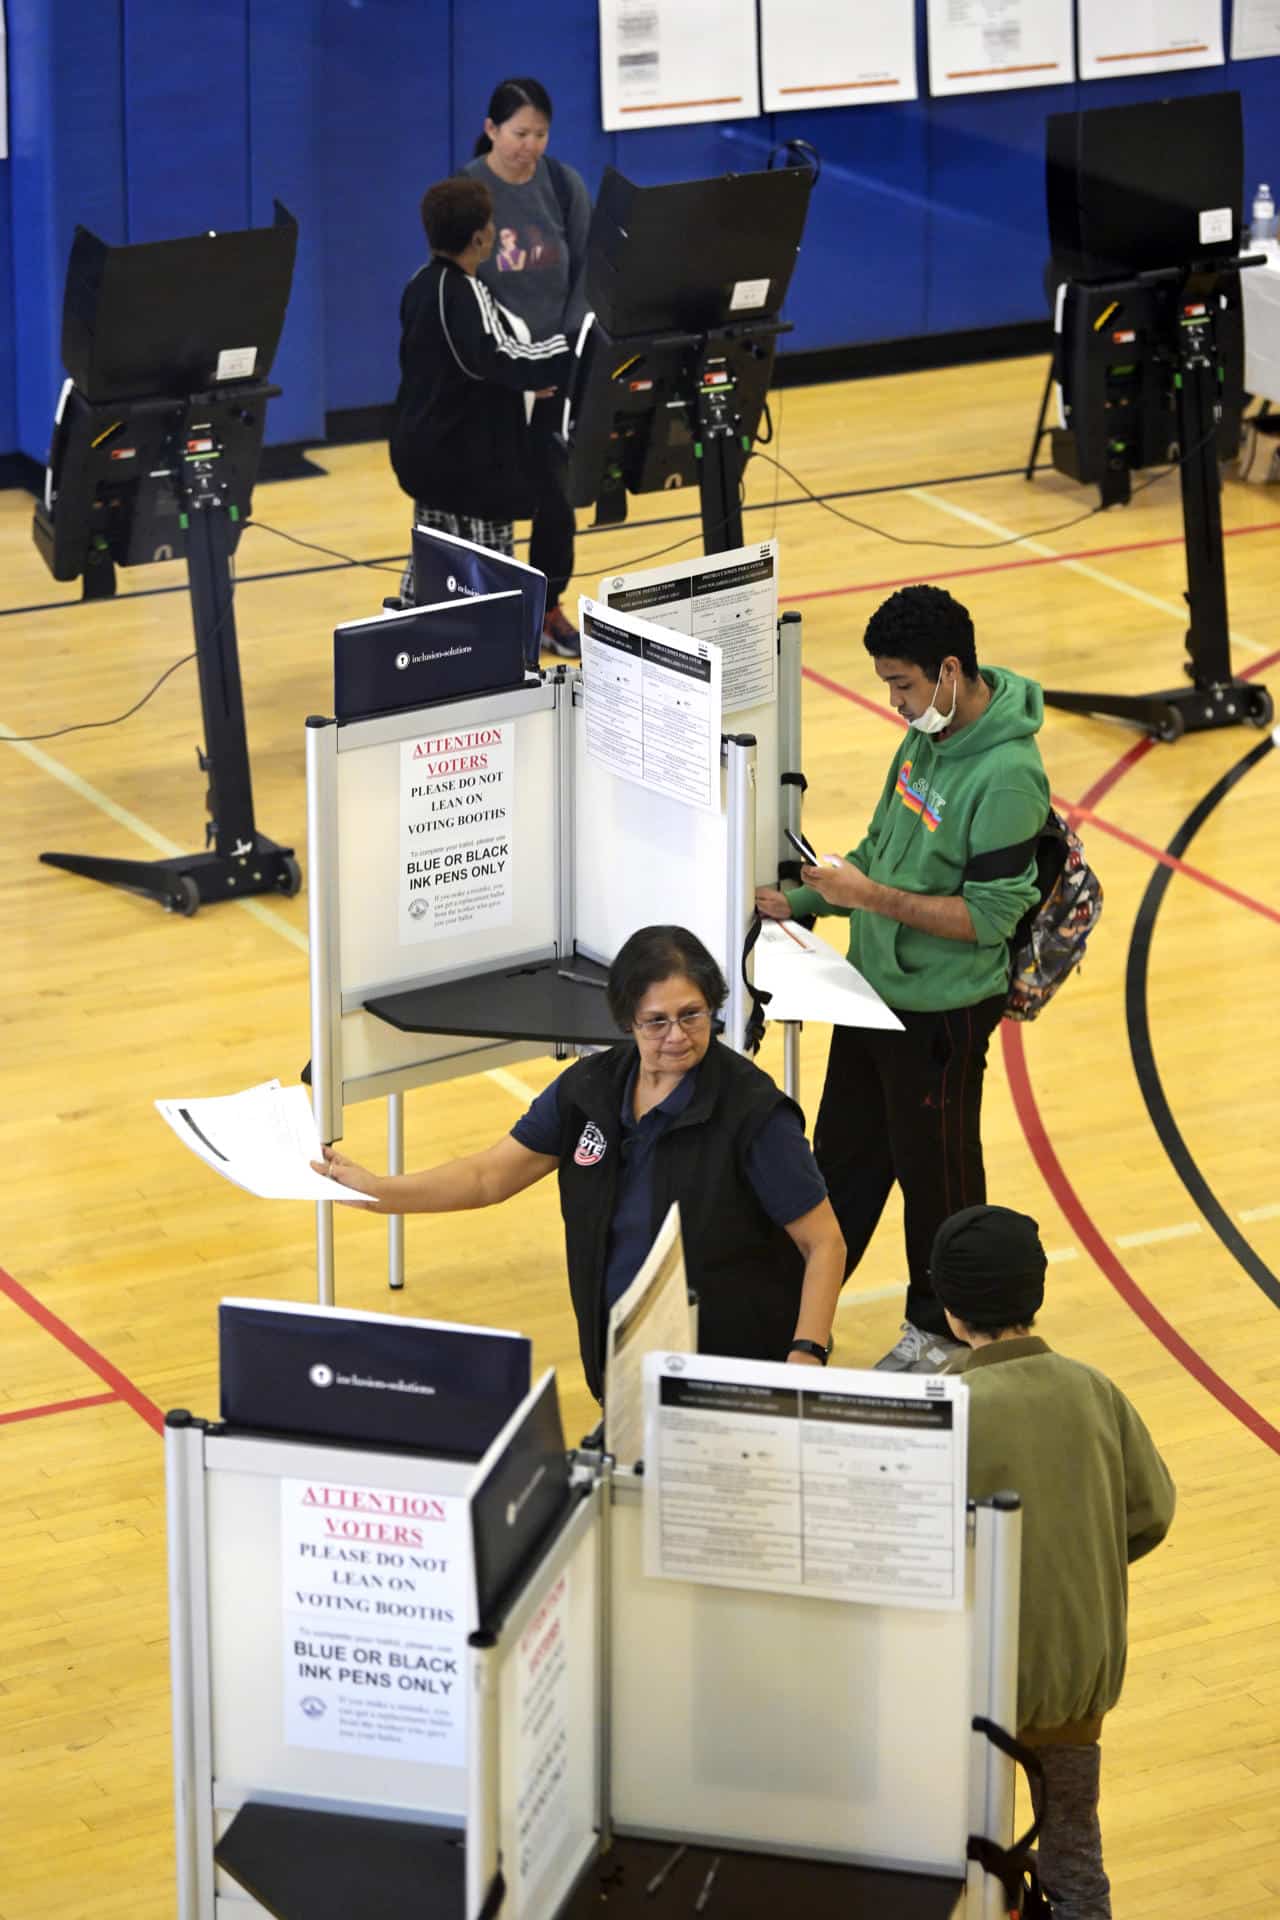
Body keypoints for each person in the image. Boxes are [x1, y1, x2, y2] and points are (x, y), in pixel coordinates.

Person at [314, 925, 845, 1400]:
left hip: (731, 1379)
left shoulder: (753, 1113)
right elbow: (489, 1175)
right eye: (655, 1022)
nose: (677, 1036)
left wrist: (805, 1355)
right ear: (626, 1022)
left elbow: (823, 1243)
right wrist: (378, 1192)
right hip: (620, 1366)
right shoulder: (590, 1090)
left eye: (692, 1015)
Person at [756, 584, 1050, 1374]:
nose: (895, 702)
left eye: (904, 685)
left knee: (939, 1178)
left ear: (950, 671)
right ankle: (798, 1307)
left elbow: (988, 919)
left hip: (944, 1015)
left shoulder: (1009, 776)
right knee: (844, 1157)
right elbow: (881, 846)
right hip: (874, 991)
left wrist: (867, 898)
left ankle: (944, 1333)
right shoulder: (926, 738)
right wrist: (806, 898)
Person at [930, 1203, 1175, 1920]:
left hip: (977, 1690)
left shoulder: (949, 1403)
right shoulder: (1095, 1390)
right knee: (1074, 1849)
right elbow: (1153, 1510)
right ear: (1034, 1297)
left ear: (950, 1311)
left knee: (961, 1846)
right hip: (1079, 1681)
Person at [390, 175, 573, 610]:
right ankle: (494, 652)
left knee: (433, 562)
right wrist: (571, 353)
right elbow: (501, 356)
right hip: (468, 463)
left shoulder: (419, 284)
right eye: (491, 224)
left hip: (424, 451)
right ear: (479, 237)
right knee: (492, 575)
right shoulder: (464, 292)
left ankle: (407, 638)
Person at [463, 78, 592, 660]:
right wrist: (513, 360)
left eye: (540, 133)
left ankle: (546, 607)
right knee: (487, 497)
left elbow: (588, 273)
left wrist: (561, 352)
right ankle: (490, 609)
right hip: (495, 378)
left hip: (556, 371)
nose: (530, 145)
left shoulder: (563, 186)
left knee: (555, 495)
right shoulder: (467, 191)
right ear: (492, 130)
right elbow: (458, 290)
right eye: (520, 133)